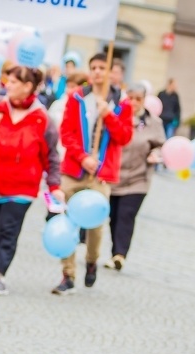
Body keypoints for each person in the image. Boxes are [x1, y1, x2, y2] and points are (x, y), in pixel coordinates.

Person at [0, 66, 62, 295]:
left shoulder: (42, 118)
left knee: (7, 230)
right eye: (8, 81)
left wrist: (55, 186)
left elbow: (52, 155)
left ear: (28, 87)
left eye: (14, 82)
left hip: (21, 188)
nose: (8, 86)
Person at [53, 52, 133, 295]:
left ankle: (91, 260)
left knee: (96, 225)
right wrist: (82, 157)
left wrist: (109, 115)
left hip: (100, 175)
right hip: (75, 169)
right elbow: (66, 133)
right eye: (94, 67)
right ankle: (67, 274)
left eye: (102, 67)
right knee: (66, 220)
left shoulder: (122, 103)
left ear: (111, 72)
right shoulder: (77, 97)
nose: (98, 71)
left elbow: (124, 137)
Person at [106, 84, 165, 271]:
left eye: (138, 99)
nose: (133, 103)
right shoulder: (115, 116)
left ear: (144, 100)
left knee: (126, 215)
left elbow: (160, 144)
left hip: (139, 178)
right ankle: (115, 250)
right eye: (130, 98)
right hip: (115, 175)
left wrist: (156, 153)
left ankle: (120, 254)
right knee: (114, 216)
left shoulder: (153, 122)